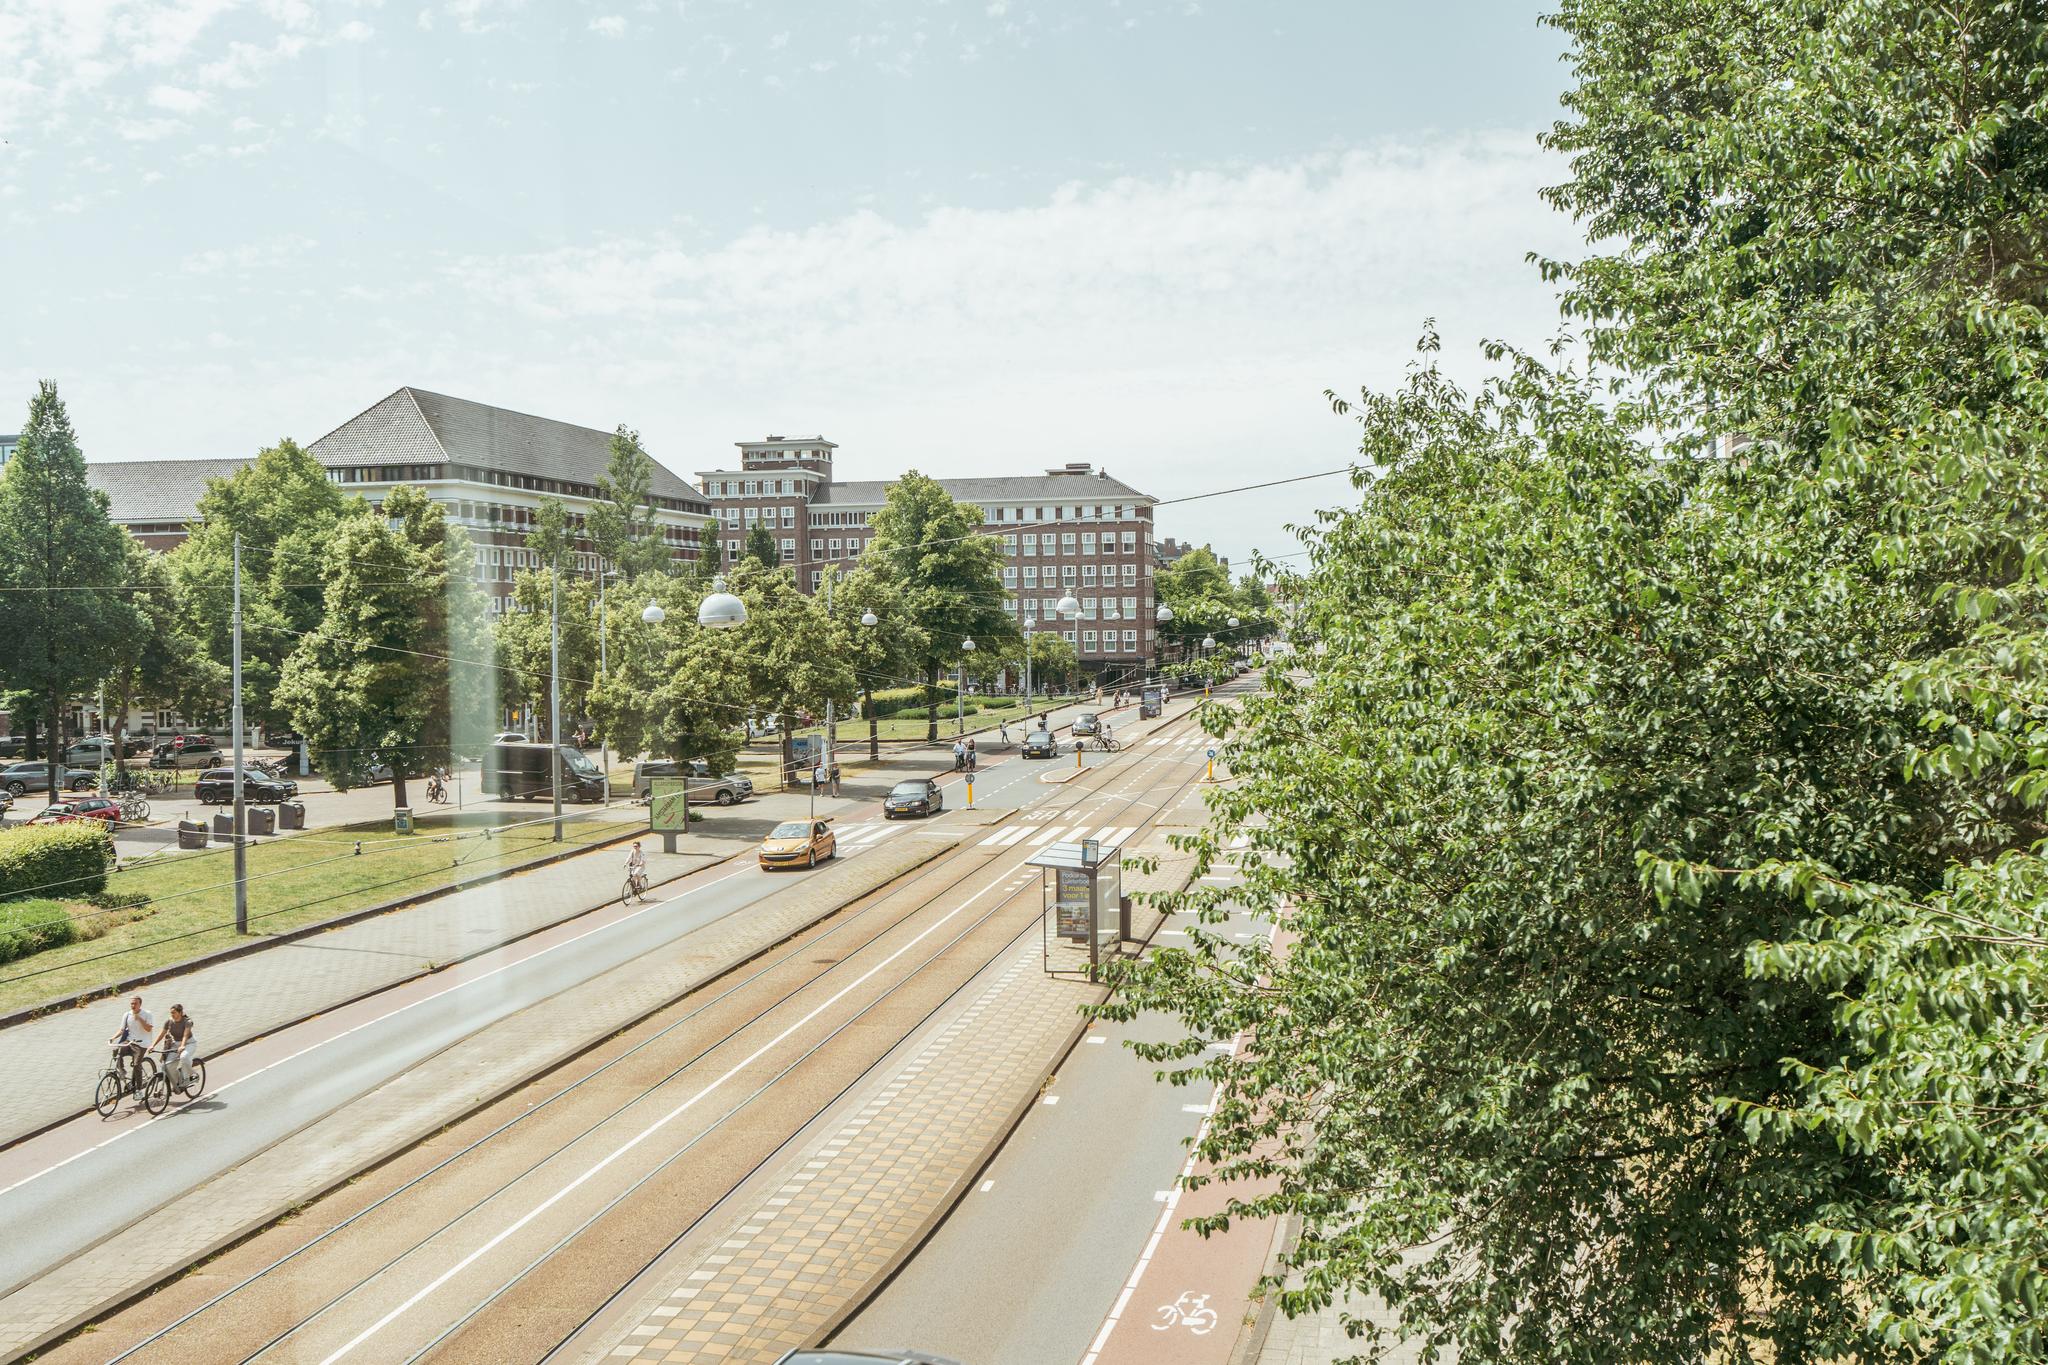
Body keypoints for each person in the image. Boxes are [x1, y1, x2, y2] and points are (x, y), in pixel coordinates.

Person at [109, 995, 154, 1094]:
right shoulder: (127, 1015)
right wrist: (113, 1038)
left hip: (141, 1043)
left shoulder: (147, 1014)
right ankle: (122, 1071)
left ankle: (138, 1090)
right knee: (117, 1050)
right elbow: (122, 1030)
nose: (133, 1006)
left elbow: (149, 1029)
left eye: (135, 1003)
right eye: (131, 1003)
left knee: (137, 1065)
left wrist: (140, 1019)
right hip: (129, 1041)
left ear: (140, 1004)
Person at [153, 1003, 197, 1091]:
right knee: (167, 1065)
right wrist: (152, 1045)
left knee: (184, 1056)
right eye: (171, 1013)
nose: (172, 1015)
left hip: (189, 1043)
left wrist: (182, 1046)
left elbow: (185, 1035)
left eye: (174, 1012)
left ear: (180, 1013)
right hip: (176, 1044)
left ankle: (190, 1076)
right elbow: (162, 1034)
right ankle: (178, 1082)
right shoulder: (169, 1022)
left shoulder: (187, 1022)